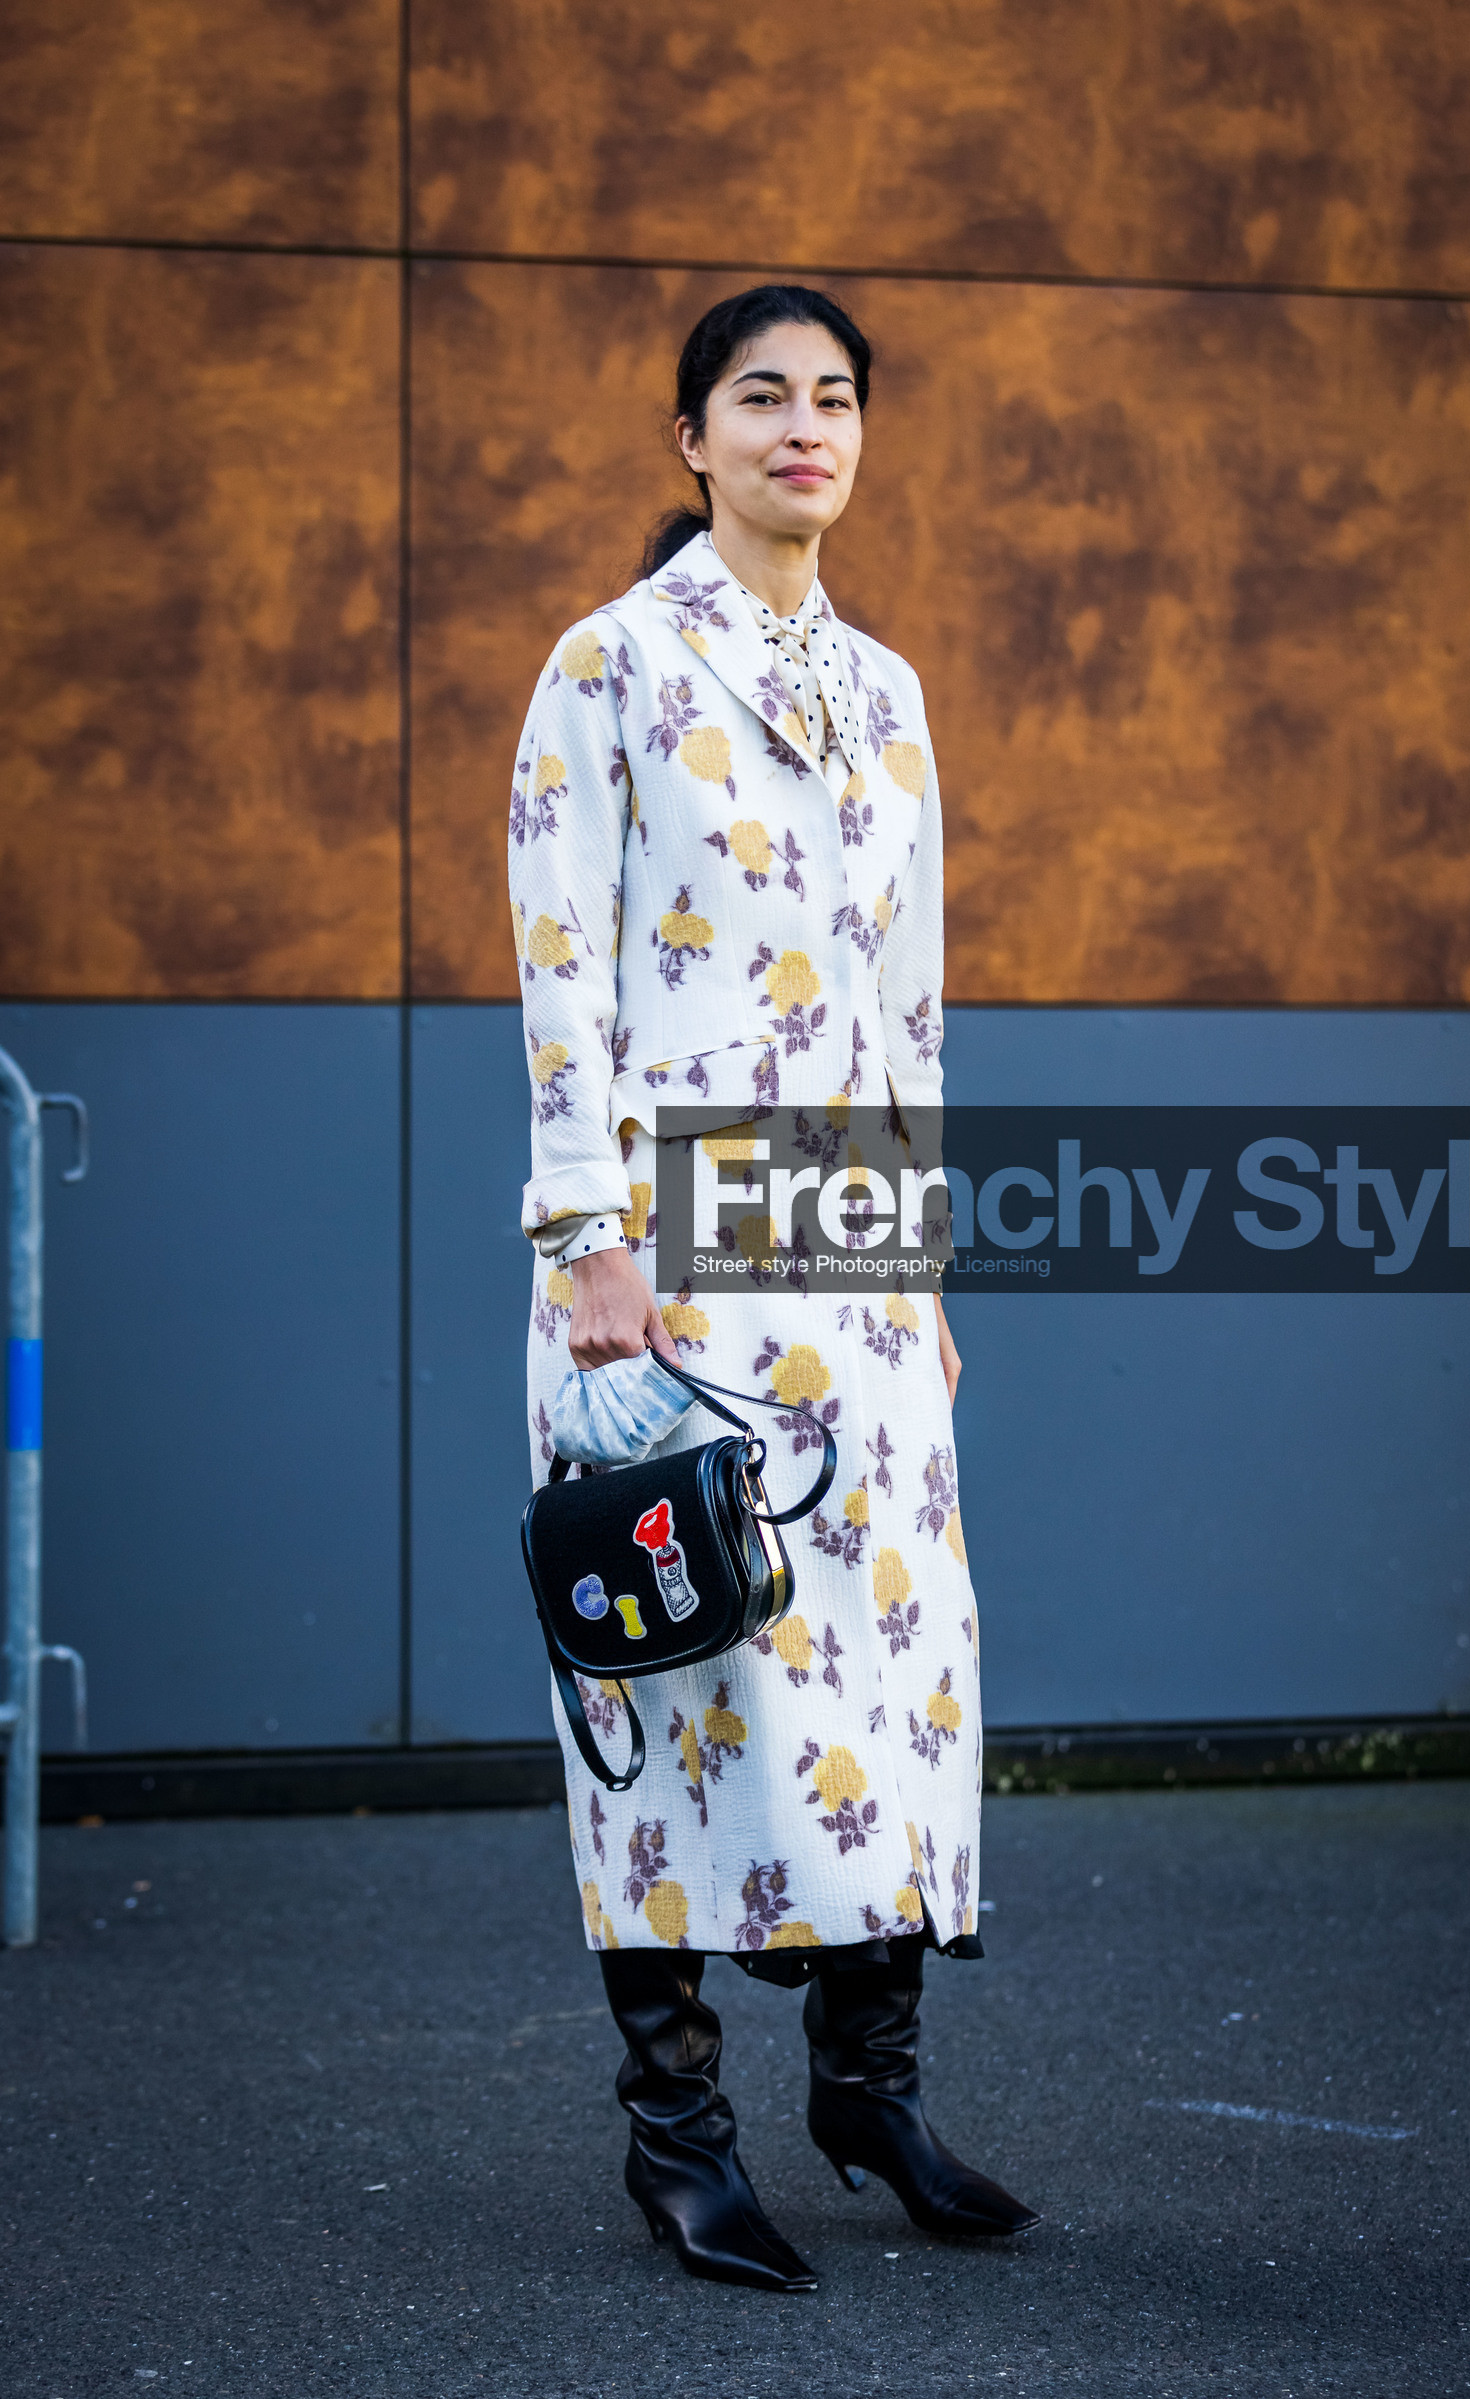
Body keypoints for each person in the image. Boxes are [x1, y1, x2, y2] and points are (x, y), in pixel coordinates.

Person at [508, 284, 1038, 2292]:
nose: (802, 426)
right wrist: (585, 1237)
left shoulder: (889, 687)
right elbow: (562, 967)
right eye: (760, 396)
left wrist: (924, 1261)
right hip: (670, 1220)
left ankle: (866, 2084)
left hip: (847, 1231)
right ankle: (679, 2136)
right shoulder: (610, 665)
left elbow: (908, 1002)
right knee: (679, 1667)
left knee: (889, 1667)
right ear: (690, 437)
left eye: (832, 399)